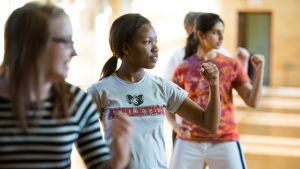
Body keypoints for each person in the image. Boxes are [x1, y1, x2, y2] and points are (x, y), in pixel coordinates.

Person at [0, 2, 132, 169]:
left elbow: (99, 165)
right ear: (34, 45)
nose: (74, 52)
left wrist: (118, 160)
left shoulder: (77, 101)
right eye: (65, 42)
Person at [88, 13, 221, 169]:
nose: (156, 48)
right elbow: (82, 141)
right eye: (147, 42)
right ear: (126, 48)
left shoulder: (162, 88)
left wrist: (214, 84)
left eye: (155, 41)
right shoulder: (99, 91)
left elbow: (209, 123)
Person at [168, 13, 264, 169]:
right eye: (215, 32)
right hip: (189, 140)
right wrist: (175, 126)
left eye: (222, 32)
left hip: (224, 139)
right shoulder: (183, 68)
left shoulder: (230, 64)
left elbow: (252, 101)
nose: (221, 36)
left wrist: (259, 72)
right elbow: (168, 103)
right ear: (200, 35)